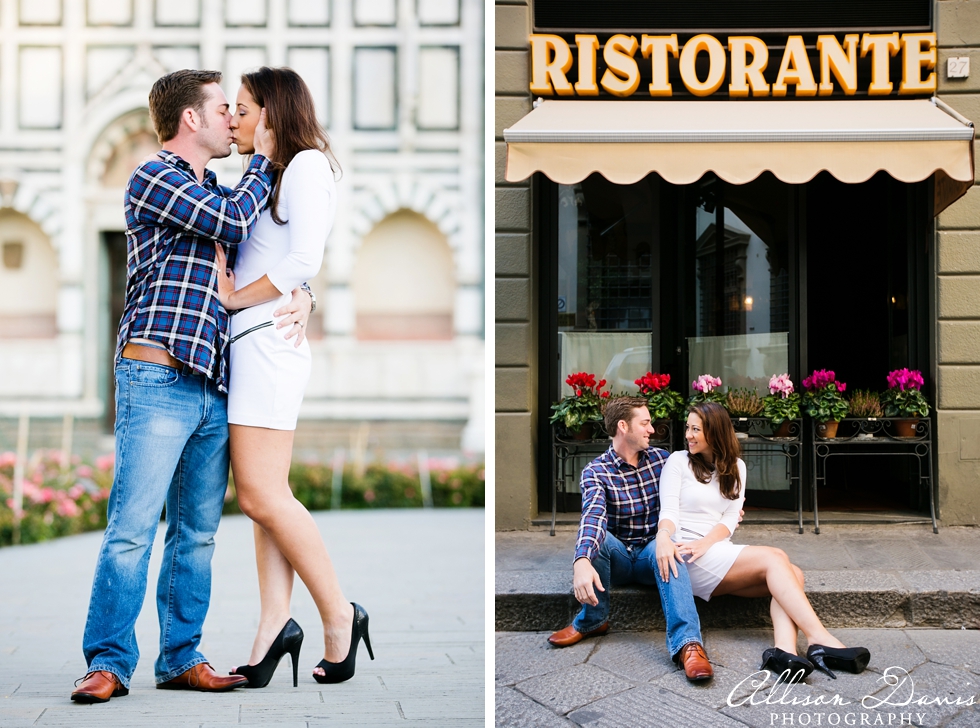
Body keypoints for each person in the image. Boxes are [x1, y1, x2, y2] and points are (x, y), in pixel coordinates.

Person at [71, 69, 313, 703]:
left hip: (214, 383)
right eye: (221, 110)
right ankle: (108, 662)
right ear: (190, 121)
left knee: (197, 533)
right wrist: (265, 157)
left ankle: (180, 656)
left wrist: (304, 291)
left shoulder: (219, 186)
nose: (233, 120)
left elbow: (271, 259)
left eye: (239, 111)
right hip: (156, 375)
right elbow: (233, 223)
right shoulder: (155, 177)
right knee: (131, 527)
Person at [212, 67, 373, 689]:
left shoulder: (305, 167)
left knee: (259, 495)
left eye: (244, 109)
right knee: (264, 500)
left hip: (267, 344)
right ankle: (274, 626)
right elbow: (288, 263)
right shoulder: (270, 174)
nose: (235, 118)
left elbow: (306, 258)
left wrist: (235, 300)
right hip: (256, 344)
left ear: (273, 115)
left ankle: (338, 613)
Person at [656, 401, 871, 681]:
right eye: (688, 428)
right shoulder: (678, 461)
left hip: (715, 550)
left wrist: (707, 543)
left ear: (716, 431)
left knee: (794, 574)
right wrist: (665, 536)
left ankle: (782, 652)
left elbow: (730, 519)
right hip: (686, 554)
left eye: (696, 429)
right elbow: (669, 511)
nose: (688, 434)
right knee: (775, 557)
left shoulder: (737, 467)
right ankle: (820, 638)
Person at [548, 396, 714, 682]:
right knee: (598, 540)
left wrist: (728, 506)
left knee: (670, 549)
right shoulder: (596, 472)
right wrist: (582, 559)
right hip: (620, 557)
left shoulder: (663, 461)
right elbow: (593, 517)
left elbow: (702, 482)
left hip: (654, 551)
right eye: (646, 423)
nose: (652, 429)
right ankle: (592, 621)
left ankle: (689, 645)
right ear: (623, 426)